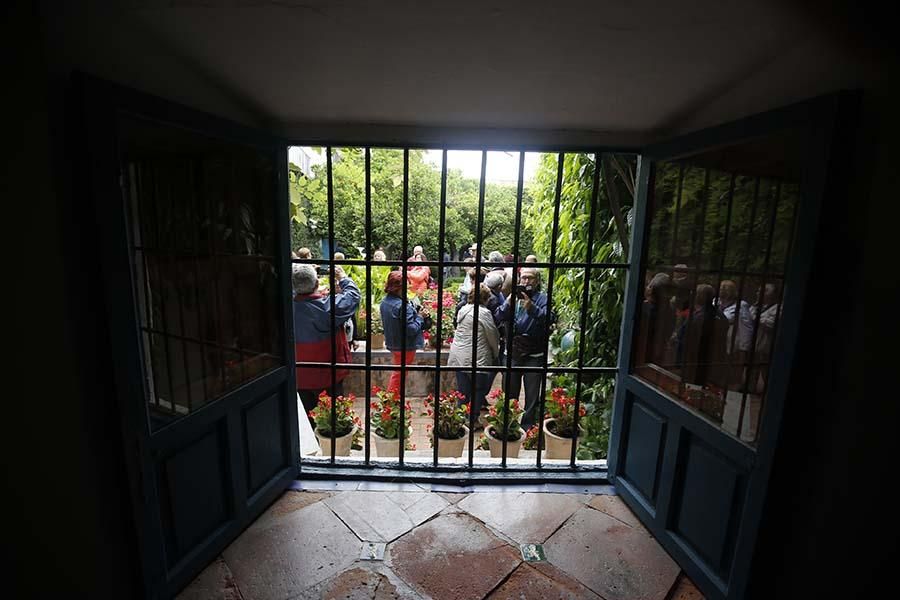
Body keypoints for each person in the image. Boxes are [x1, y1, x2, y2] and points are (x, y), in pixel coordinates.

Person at [293, 264, 361, 423]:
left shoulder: (286, 308)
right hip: (328, 374)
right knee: (333, 420)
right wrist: (342, 277)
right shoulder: (327, 308)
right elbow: (353, 296)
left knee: (307, 420)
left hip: (299, 375)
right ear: (317, 284)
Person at [495, 267, 550, 429]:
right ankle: (509, 426)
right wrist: (507, 304)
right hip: (512, 353)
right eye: (523, 278)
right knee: (509, 394)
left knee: (532, 395)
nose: (526, 281)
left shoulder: (542, 299)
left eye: (530, 278)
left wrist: (531, 308)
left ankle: (528, 428)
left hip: (534, 354)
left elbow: (549, 319)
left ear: (537, 280)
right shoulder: (511, 297)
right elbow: (497, 317)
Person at [448, 283, 499, 416]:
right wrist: (496, 353)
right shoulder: (484, 313)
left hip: (459, 356)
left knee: (463, 391)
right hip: (477, 358)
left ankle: (460, 418)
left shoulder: (463, 310)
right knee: (478, 390)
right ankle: (473, 419)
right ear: (486, 298)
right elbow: (492, 336)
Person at [380, 271, 428, 393]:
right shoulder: (402, 306)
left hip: (393, 343)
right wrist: (420, 317)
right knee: (399, 375)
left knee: (398, 373)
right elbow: (411, 329)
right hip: (406, 345)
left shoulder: (385, 302)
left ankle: (392, 402)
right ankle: (390, 404)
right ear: (399, 287)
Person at [638, 273, 675, 366]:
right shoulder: (670, 309)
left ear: (651, 289)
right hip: (660, 355)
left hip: (643, 355)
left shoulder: (644, 309)